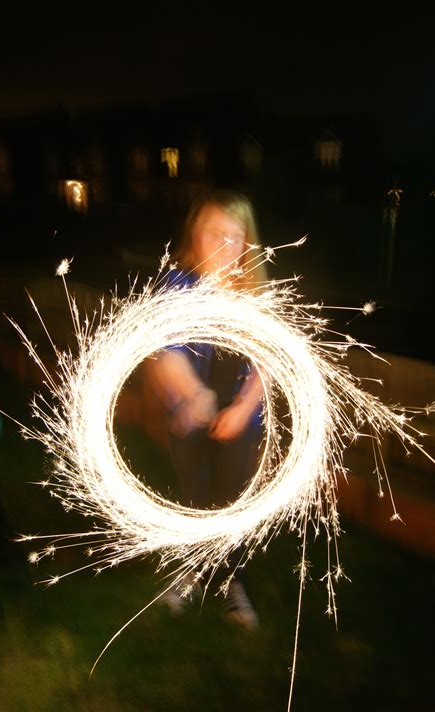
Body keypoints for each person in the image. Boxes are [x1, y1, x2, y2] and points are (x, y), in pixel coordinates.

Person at [146, 188, 268, 630]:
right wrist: (193, 394)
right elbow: (166, 349)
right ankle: (194, 570)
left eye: (233, 236)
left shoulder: (256, 295)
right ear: (193, 238)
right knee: (195, 498)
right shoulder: (177, 286)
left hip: (241, 423)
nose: (222, 246)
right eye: (211, 233)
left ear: (247, 242)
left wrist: (240, 410)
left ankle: (233, 583)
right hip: (187, 418)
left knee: (230, 504)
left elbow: (268, 363)